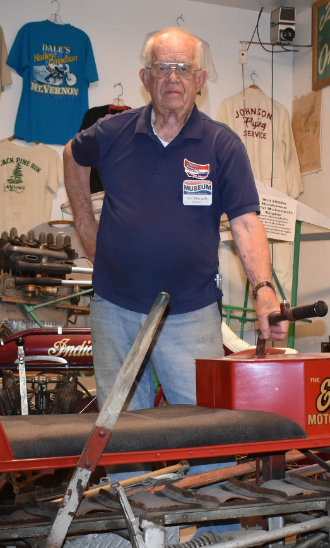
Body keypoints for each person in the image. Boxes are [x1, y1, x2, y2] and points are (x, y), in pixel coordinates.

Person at [65, 27, 285, 412]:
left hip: (191, 311)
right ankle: (129, 478)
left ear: (199, 80)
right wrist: (85, 224)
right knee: (120, 429)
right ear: (145, 77)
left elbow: (246, 223)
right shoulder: (113, 133)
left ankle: (206, 477)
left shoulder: (222, 145)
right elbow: (71, 154)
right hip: (115, 307)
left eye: (183, 68)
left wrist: (264, 289)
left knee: (204, 429)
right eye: (162, 67)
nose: (172, 78)